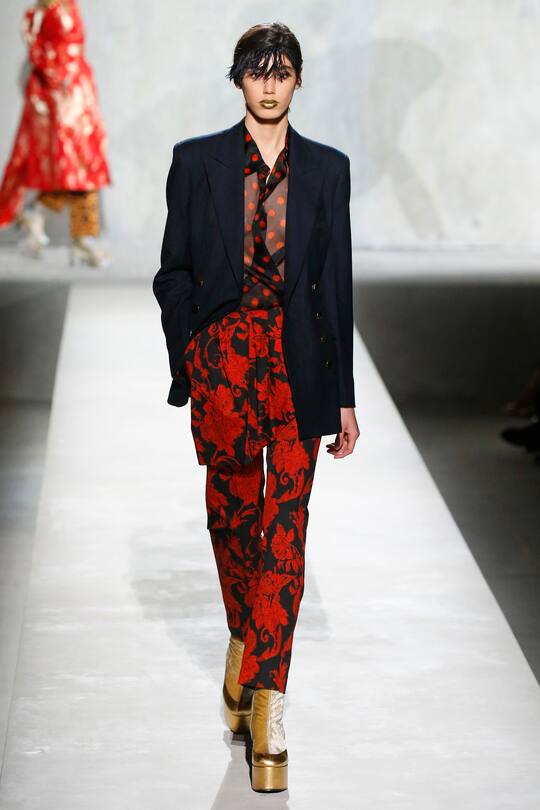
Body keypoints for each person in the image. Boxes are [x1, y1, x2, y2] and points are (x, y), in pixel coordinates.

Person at [153, 22, 360, 793]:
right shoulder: (196, 162)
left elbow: (336, 286)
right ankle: (245, 635)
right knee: (234, 517)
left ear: (299, 81)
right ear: (237, 80)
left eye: (282, 73)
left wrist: (342, 398)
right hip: (226, 365)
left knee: (289, 527)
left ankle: (268, 697)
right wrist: (194, 359)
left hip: (300, 365)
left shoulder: (328, 170)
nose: (269, 85)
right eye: (255, 72)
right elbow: (172, 273)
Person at [0, 0, 111, 268]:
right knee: (71, 171)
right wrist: (57, 86)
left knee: (87, 169)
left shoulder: (70, 6)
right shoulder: (35, 16)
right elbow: (40, 54)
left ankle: (47, 221)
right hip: (56, 102)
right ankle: (71, 234)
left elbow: (76, 48)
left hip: (79, 97)